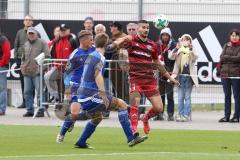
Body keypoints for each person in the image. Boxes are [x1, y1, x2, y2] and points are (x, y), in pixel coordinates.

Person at [73, 33, 147, 148]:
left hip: (82, 94)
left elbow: (111, 46)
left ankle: (81, 142)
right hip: (90, 95)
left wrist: (123, 39)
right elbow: (97, 75)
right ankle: (131, 138)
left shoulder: (93, 54)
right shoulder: (99, 57)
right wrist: (103, 95)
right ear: (106, 44)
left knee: (97, 118)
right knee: (121, 104)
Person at [112, 20, 179, 136]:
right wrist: (115, 43)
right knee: (135, 102)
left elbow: (158, 63)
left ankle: (145, 118)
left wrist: (170, 78)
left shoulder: (152, 45)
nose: (146, 29)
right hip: (135, 78)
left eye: (147, 27)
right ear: (138, 29)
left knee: (159, 108)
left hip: (149, 80)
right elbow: (120, 41)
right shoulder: (131, 41)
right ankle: (134, 129)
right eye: (143, 27)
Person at [56, 30, 96, 143]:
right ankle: (62, 133)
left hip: (90, 87)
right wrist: (67, 90)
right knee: (74, 113)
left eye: (93, 39)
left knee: (97, 114)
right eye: (90, 39)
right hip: (76, 86)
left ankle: (81, 138)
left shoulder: (94, 51)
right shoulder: (75, 54)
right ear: (83, 40)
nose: (92, 41)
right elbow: (68, 72)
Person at [21, 27, 50, 117]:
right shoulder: (26, 44)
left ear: (36, 34)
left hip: (38, 73)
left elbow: (48, 57)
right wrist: (22, 67)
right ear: (27, 35)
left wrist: (42, 69)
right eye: (29, 33)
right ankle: (30, 110)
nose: (31, 35)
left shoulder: (42, 43)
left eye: (32, 33)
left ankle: (40, 110)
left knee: (40, 91)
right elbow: (23, 58)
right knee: (27, 92)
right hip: (27, 73)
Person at [44, 24, 77, 103]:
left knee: (67, 88)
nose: (62, 32)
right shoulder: (56, 40)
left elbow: (77, 54)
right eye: (61, 30)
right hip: (58, 67)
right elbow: (52, 53)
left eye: (64, 30)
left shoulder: (72, 40)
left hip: (69, 68)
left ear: (68, 31)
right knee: (47, 77)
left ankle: (70, 105)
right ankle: (56, 96)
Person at [169, 34, 198, 122]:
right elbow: (170, 56)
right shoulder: (179, 50)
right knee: (180, 97)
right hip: (179, 77)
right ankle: (180, 114)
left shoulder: (191, 50)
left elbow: (195, 57)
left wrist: (191, 49)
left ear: (190, 42)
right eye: (183, 40)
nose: (185, 41)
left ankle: (186, 115)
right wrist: (176, 48)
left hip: (189, 77)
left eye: (187, 40)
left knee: (187, 97)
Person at [218, 29, 240, 123]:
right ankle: (226, 116)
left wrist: (227, 58)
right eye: (232, 35)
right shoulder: (226, 45)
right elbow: (221, 57)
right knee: (227, 96)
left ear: (238, 36)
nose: (234, 37)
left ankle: (236, 116)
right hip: (225, 75)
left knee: (237, 96)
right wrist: (230, 58)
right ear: (230, 36)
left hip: (236, 75)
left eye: (236, 35)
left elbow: (238, 58)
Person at [155, 27, 176, 121]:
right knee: (161, 94)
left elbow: (175, 59)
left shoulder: (174, 45)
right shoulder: (157, 45)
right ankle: (160, 114)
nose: (165, 37)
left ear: (170, 36)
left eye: (166, 35)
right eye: (163, 35)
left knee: (170, 94)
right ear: (160, 36)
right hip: (159, 73)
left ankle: (170, 114)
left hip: (170, 72)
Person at [14, 15, 34, 108]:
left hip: (32, 62)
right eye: (26, 20)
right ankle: (24, 102)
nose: (28, 21)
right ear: (23, 22)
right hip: (21, 61)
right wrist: (16, 59)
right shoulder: (19, 32)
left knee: (32, 83)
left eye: (29, 20)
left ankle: (31, 103)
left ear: (32, 22)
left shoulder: (36, 32)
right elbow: (16, 46)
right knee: (23, 82)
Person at [0, 31, 11, 116]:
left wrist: (1, 64)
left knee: (1, 89)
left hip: (1, 67)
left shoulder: (3, 40)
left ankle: (1, 109)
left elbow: (7, 54)